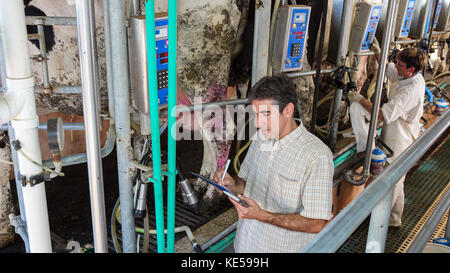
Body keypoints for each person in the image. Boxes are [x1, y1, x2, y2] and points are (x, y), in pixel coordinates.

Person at [213, 74, 334, 252]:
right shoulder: (261, 138)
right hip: (245, 246)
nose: (259, 122)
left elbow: (316, 223)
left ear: (288, 110)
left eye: (266, 114)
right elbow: (246, 185)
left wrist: (263, 216)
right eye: (256, 114)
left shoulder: (317, 156)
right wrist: (231, 184)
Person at [347, 47, 426, 228]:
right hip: (397, 127)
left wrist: (359, 99)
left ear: (410, 69)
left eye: (400, 64)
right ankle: (394, 219)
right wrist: (377, 51)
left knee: (393, 178)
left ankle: (379, 223)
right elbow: (389, 68)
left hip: (402, 134)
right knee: (399, 176)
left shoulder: (410, 90)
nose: (396, 66)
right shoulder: (408, 74)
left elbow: (382, 115)